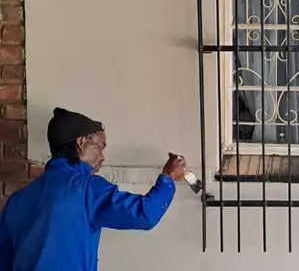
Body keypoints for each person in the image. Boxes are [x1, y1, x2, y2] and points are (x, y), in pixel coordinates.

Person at [0, 107, 186, 271]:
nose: (103, 157)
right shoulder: (86, 189)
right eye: (100, 146)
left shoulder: (16, 201)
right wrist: (168, 178)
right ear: (81, 143)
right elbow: (145, 214)